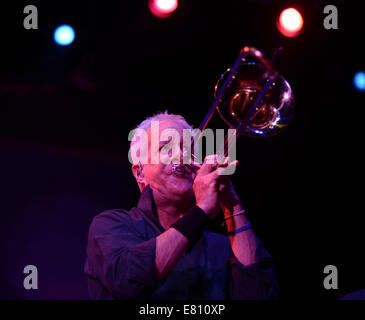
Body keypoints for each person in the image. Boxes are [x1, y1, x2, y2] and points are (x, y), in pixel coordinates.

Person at [84, 111, 278, 300]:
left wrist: (231, 201)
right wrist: (201, 210)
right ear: (139, 173)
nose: (181, 155)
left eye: (189, 149)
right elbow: (129, 282)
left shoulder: (221, 247)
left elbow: (260, 294)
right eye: (165, 148)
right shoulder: (111, 225)